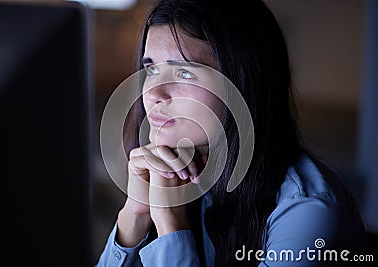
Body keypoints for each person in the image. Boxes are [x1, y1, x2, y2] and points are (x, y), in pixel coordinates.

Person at [96, 0, 368, 266]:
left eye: (184, 73)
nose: (153, 92)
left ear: (241, 84)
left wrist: (171, 224)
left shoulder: (308, 212)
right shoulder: (185, 172)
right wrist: (135, 213)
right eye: (151, 68)